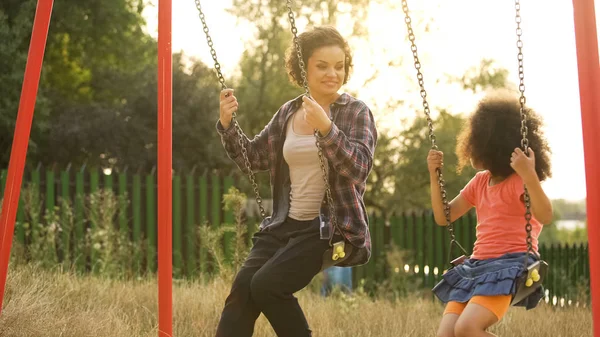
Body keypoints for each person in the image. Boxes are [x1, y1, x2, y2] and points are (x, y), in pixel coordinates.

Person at [214, 26, 377, 337]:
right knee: (242, 292)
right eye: (322, 66)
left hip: (328, 228)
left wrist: (327, 129)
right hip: (283, 224)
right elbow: (254, 158)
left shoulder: (355, 111)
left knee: (268, 285)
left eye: (339, 66)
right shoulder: (289, 112)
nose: (333, 74)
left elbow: (358, 169)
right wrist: (227, 123)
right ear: (302, 67)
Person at [427, 91, 553, 337]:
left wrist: (529, 175)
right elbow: (444, 217)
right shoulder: (479, 182)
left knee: (467, 328)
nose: (470, 147)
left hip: (510, 265)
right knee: (446, 334)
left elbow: (545, 215)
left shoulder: (520, 181)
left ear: (493, 146)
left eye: (476, 141)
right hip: (476, 267)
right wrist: (434, 176)